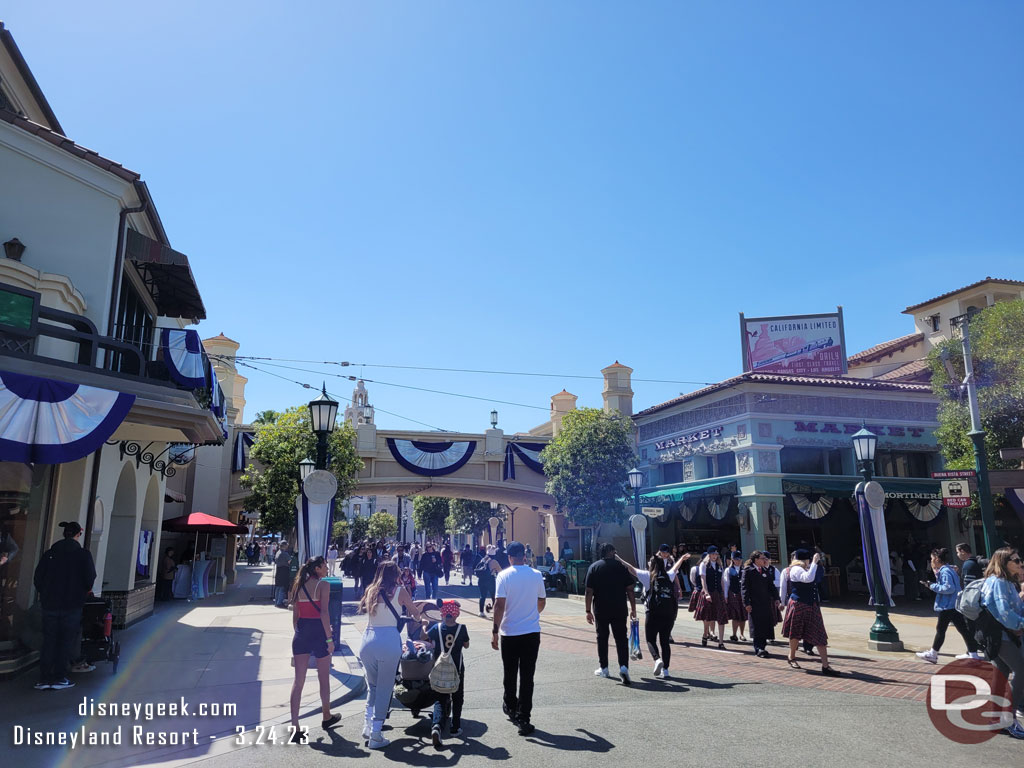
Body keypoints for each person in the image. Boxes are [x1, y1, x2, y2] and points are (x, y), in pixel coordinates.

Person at [358, 561, 422, 749]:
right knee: (385, 688)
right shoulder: (400, 590)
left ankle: (367, 725)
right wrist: (419, 618)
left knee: (373, 686)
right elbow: (414, 612)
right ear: (395, 574)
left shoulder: (371, 589)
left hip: (367, 639)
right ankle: (376, 735)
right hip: (388, 640)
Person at [32, 521, 96, 690]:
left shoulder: (50, 553)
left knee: (49, 640)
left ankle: (44, 678)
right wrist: (80, 593)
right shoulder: (83, 555)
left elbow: (38, 577)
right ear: (78, 535)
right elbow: (90, 578)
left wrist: (45, 594)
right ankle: (60, 677)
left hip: (50, 604)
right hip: (72, 605)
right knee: (65, 641)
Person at [491, 541, 545, 736]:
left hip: (509, 632)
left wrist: (495, 630)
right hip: (531, 632)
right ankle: (524, 717)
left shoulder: (503, 576)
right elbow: (541, 601)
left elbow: (499, 605)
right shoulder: (536, 575)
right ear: (524, 555)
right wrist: (531, 613)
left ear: (509, 557)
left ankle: (510, 705)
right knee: (528, 676)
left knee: (510, 672)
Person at [289, 557, 339, 743]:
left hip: (301, 632)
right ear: (317, 568)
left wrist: (299, 633)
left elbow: (296, 616)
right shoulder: (322, 585)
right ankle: (326, 715)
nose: (327, 568)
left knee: (298, 681)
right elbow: (324, 613)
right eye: (324, 565)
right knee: (323, 678)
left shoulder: (298, 585)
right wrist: (329, 638)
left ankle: (295, 727)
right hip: (319, 633)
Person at [977, 547, 1024, 739]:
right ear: (1003, 562)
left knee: (1001, 673)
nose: (1021, 563)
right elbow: (1005, 613)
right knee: (1021, 672)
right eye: (1016, 560)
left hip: (996, 636)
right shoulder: (1000, 583)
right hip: (1002, 637)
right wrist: (1021, 623)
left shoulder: (999, 581)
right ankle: (1008, 718)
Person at [617, 550, 688, 678]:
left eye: (650, 562)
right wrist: (682, 558)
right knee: (665, 641)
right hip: (669, 613)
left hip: (653, 613)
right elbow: (676, 567)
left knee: (650, 639)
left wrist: (618, 558)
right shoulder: (668, 575)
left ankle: (657, 659)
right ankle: (665, 670)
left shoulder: (648, 576)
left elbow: (631, 569)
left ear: (653, 565)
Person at [779, 550, 839, 676]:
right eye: (808, 560)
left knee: (819, 634)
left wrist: (817, 564)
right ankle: (792, 656)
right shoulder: (795, 569)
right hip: (799, 604)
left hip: (811, 605)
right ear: (805, 559)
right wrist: (814, 562)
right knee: (795, 633)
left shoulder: (807, 568)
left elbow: (816, 577)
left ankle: (825, 665)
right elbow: (808, 579)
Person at [916, 547, 981, 663]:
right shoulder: (948, 569)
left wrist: (931, 585)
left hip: (947, 605)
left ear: (936, 559)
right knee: (963, 629)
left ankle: (933, 653)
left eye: (932, 558)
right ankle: (973, 653)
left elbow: (948, 588)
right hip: (954, 604)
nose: (931, 561)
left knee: (941, 629)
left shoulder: (945, 571)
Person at [584, 542, 637, 684]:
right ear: (612, 552)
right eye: (614, 551)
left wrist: (588, 611)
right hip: (619, 608)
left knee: (602, 638)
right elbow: (630, 589)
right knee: (621, 638)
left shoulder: (594, 567)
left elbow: (589, 591)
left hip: (601, 609)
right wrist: (633, 608)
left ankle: (604, 668)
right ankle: (624, 667)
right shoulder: (621, 567)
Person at [428, 600, 470, 748]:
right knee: (457, 696)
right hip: (456, 668)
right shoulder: (462, 628)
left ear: (443, 614)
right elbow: (466, 645)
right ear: (456, 614)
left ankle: (436, 727)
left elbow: (425, 637)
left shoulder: (436, 628)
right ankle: (455, 726)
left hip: (440, 669)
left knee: (440, 697)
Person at [741, 551, 781, 658]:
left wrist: (777, 598)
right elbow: (744, 588)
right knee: (756, 626)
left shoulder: (765, 570)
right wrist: (746, 603)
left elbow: (771, 586)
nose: (765, 560)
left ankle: (763, 647)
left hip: (765, 603)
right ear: (756, 559)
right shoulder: (748, 571)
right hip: (754, 603)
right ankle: (758, 648)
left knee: (765, 625)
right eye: (762, 558)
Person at [695, 546, 728, 649]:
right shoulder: (704, 565)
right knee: (708, 617)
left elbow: (722, 581)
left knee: (721, 617)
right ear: (709, 555)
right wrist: (706, 593)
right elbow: (703, 580)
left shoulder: (720, 566)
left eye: (716, 554)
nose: (715, 556)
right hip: (709, 593)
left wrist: (724, 594)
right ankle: (705, 634)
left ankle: (721, 642)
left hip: (718, 593)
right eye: (713, 554)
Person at [723, 551, 747, 642]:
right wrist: (725, 596)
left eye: (740, 559)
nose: (738, 561)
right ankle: (734, 634)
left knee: (743, 615)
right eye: (736, 559)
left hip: (743, 594)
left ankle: (742, 634)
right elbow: (726, 584)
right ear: (733, 560)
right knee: (735, 615)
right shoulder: (728, 570)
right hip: (733, 593)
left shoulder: (744, 569)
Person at [476, 545, 501, 616]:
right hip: (490, 580)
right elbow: (500, 571)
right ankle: (495, 611)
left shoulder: (483, 559)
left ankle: (481, 612)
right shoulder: (494, 562)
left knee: (482, 596)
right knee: (493, 596)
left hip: (481, 580)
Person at [273, 542, 293, 608]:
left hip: (278, 570)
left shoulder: (277, 552)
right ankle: (279, 602)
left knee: (278, 587)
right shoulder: (285, 554)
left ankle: (276, 602)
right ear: (284, 546)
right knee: (282, 587)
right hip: (284, 571)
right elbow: (290, 562)